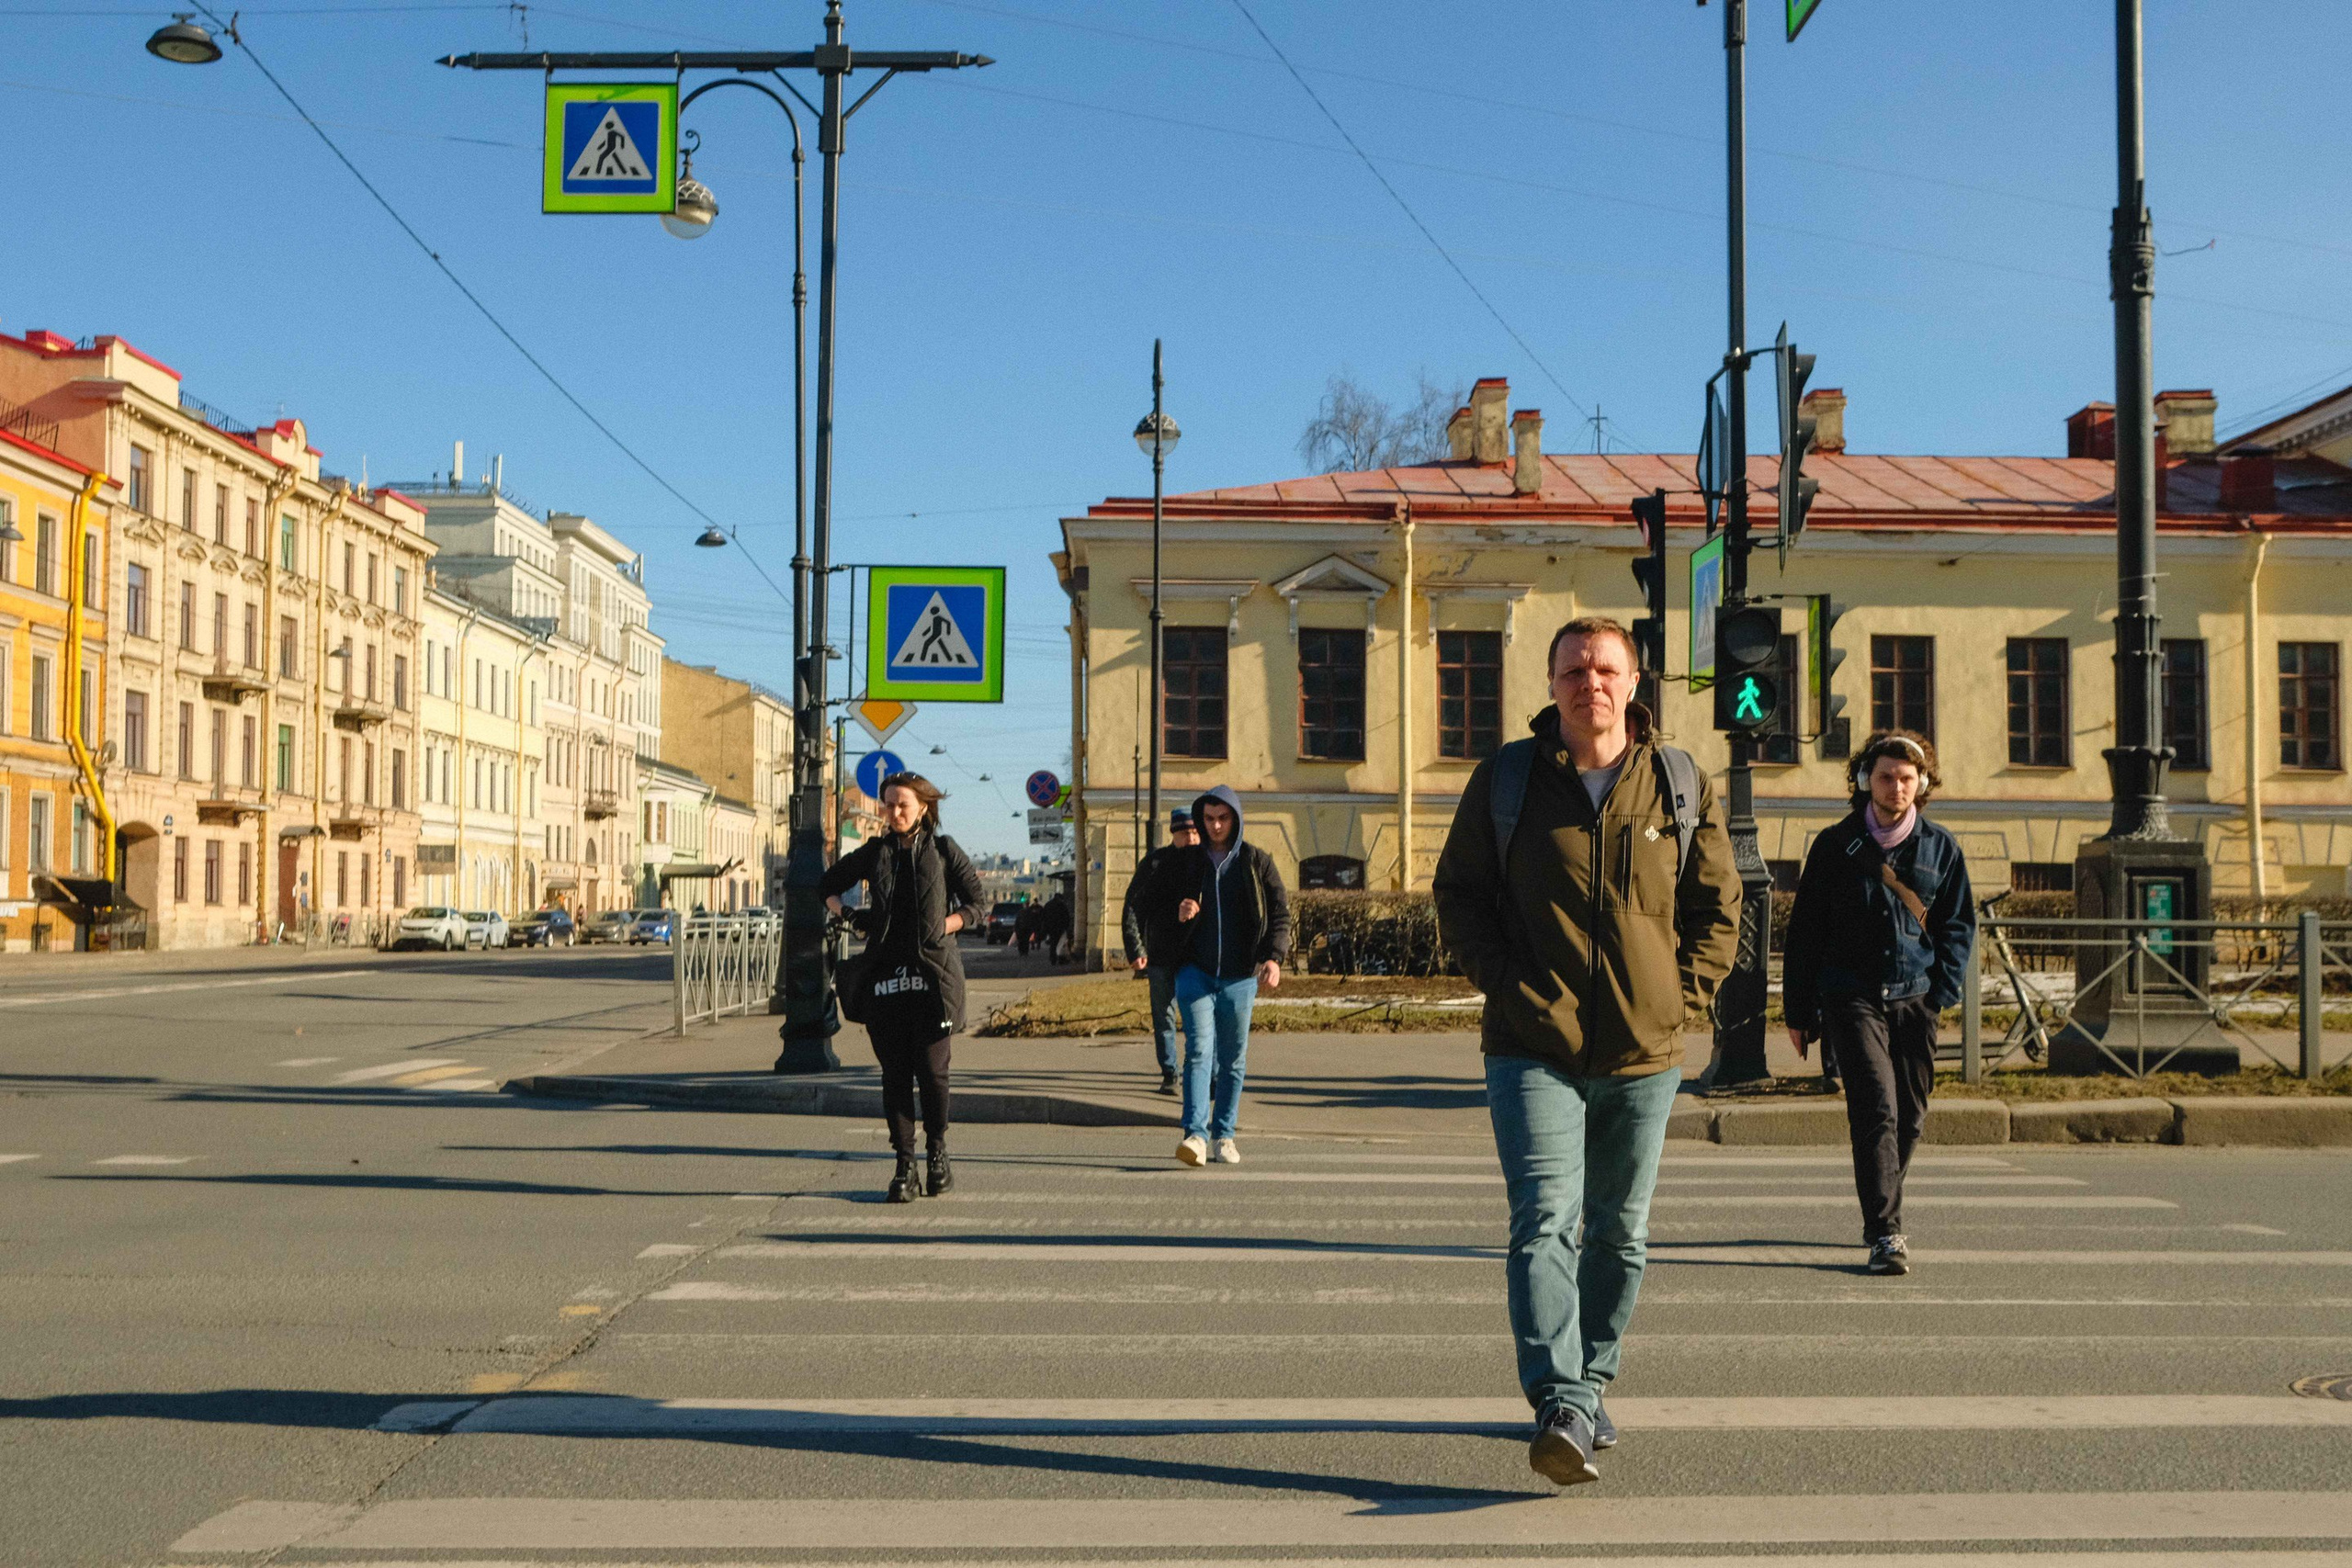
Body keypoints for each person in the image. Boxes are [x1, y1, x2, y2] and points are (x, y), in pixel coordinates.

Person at [1432, 615, 1740, 1488]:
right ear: (1552, 681)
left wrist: (1684, 1002)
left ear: (1634, 683)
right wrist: (1508, 984)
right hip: (1532, 1044)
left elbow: (1719, 906)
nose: (1589, 683)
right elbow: (1458, 895)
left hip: (1646, 1051)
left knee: (1621, 1231)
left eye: (1606, 668)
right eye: (1573, 669)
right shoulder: (1510, 778)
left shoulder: (1679, 782)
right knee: (1542, 1220)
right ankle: (1561, 1397)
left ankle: (1592, 1378)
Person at [1781, 730, 1975, 1277]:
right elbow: (1805, 934)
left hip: (1916, 997)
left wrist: (1942, 991)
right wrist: (1799, 1012)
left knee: (1909, 1117)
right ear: (1868, 780)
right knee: (1876, 1109)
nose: (1896, 787)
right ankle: (1885, 1233)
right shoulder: (1834, 845)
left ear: (1922, 784)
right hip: (1852, 997)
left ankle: (1881, 1188)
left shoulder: (1941, 848)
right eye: (1886, 776)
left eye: (1907, 778)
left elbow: (1958, 924)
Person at [820, 772, 985, 1203]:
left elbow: (977, 904)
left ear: (924, 808)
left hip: (934, 978)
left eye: (902, 805)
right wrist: (851, 915)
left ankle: (937, 1154)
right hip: (886, 977)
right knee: (894, 1076)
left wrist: (945, 926)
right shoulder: (876, 853)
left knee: (933, 1073)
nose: (893, 813)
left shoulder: (945, 850)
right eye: (888, 804)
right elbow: (827, 885)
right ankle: (903, 1167)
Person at [1162, 785, 1288, 1166]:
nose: (1215, 826)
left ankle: (1225, 1135)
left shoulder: (1255, 862)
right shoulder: (1187, 863)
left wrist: (1274, 958)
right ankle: (1196, 1136)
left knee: (1233, 1058)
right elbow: (1159, 909)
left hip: (1240, 976)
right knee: (1199, 1050)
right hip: (1194, 972)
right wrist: (1179, 913)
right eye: (1209, 818)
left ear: (1235, 818)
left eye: (1223, 818)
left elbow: (1279, 914)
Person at [1122, 808, 1201, 1096]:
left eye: (1195, 832)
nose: (1191, 838)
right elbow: (1133, 906)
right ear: (1173, 834)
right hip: (1161, 953)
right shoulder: (1156, 863)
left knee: (1198, 1018)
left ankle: (1201, 1074)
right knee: (1163, 1017)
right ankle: (1170, 1073)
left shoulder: (1206, 862)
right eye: (1185, 833)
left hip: (1196, 955)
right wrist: (1135, 947)